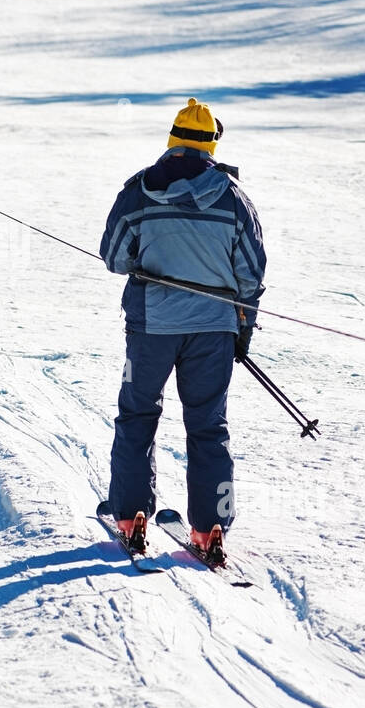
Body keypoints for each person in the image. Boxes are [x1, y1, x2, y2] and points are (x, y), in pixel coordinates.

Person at [97, 97, 266, 563]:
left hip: (152, 327)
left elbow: (114, 257)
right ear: (212, 144)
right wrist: (243, 325)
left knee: (138, 415)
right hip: (212, 330)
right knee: (209, 425)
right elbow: (251, 272)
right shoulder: (233, 198)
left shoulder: (138, 191)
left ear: (172, 139)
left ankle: (130, 518)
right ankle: (210, 527)